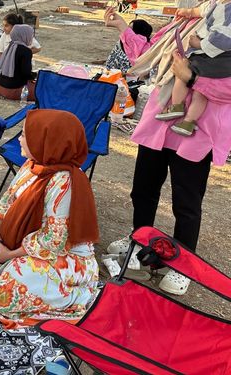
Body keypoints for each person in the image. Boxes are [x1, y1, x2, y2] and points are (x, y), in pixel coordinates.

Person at [104, 8, 231, 295]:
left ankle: (183, 263)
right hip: (160, 122)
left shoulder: (226, 32)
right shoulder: (186, 22)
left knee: (186, 202)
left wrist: (191, 78)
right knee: (143, 189)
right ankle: (139, 239)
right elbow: (150, 54)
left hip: (196, 133)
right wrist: (124, 26)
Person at [0, 109, 100, 327]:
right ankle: (6, 264)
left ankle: (72, 296)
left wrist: (10, 254)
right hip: (22, 241)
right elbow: (8, 199)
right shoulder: (34, 163)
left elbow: (53, 242)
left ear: (45, 141)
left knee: (7, 291)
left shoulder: (64, 183)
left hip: (59, 256)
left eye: (25, 135)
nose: (20, 139)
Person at [155, 0, 231, 136]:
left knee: (184, 69)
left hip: (213, 57)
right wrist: (189, 12)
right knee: (201, 93)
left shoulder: (228, 9)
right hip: (218, 63)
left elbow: (224, 38)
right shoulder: (219, 3)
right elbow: (204, 9)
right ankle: (189, 122)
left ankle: (176, 106)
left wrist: (200, 44)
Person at [0, 13, 42, 90]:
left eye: (6, 26)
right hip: (7, 62)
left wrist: (24, 53)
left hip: (20, 65)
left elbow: (38, 48)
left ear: (15, 27)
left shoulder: (24, 36)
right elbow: (1, 52)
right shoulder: (4, 36)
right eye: (3, 26)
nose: (3, 28)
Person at [0, 24, 34, 100]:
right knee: (41, 87)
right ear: (25, 36)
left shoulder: (10, 46)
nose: (32, 38)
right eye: (31, 35)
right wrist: (34, 76)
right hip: (13, 90)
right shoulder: (26, 51)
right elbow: (26, 73)